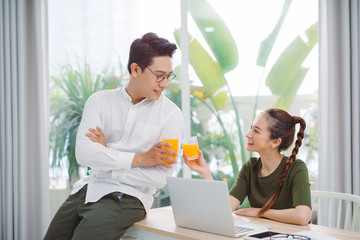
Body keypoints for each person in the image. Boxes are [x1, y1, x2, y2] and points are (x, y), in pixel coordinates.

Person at [44, 32, 184, 240]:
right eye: (159, 75)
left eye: (168, 76)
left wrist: (106, 156)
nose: (164, 84)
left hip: (129, 198)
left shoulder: (171, 115)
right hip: (87, 189)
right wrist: (141, 159)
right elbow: (84, 154)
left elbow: (160, 177)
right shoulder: (99, 101)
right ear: (135, 69)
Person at [183, 108, 311, 226]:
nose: (248, 134)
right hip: (261, 234)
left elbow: (302, 216)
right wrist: (204, 171)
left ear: (275, 142)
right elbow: (224, 208)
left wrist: (260, 212)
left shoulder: (296, 168)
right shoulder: (250, 167)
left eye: (256, 131)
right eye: (251, 128)